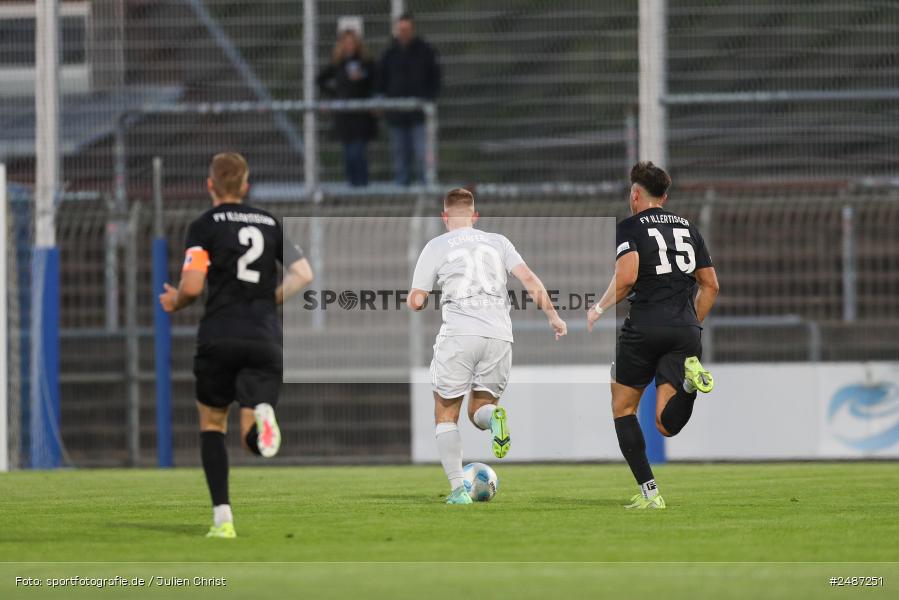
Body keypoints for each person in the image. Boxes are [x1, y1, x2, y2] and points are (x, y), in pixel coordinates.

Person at [158, 153, 313, 537]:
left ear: (210, 185)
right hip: (263, 337)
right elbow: (304, 274)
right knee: (251, 442)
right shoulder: (269, 223)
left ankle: (223, 519)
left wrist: (175, 300)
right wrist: (268, 300)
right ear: (245, 186)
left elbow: (193, 286)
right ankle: (262, 412)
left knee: (212, 424)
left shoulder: (203, 225)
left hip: (220, 334)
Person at [407, 188, 567, 504]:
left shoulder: (436, 246)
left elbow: (416, 301)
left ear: (444, 217)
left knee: (445, 414)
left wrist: (423, 297)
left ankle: (458, 491)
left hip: (459, 335)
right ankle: (494, 417)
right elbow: (530, 280)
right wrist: (554, 317)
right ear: (475, 216)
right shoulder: (498, 242)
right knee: (478, 410)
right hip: (499, 336)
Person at [587, 161, 719, 510]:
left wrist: (598, 308)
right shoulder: (688, 227)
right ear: (665, 195)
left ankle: (650, 494)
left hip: (645, 326)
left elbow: (628, 276)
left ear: (635, 194)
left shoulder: (630, 226)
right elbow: (711, 286)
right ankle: (690, 386)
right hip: (686, 331)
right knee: (665, 423)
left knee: (623, 408)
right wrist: (692, 323)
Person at [379, 13, 441, 186]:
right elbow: (381, 80)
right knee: (400, 155)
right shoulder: (390, 53)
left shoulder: (425, 51)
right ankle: (403, 190)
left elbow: (435, 78)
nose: (403, 32)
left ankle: (426, 188)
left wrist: (429, 99)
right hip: (397, 115)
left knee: (424, 154)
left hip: (420, 115)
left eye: (407, 29)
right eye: (401, 29)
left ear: (413, 29)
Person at [316, 28, 378, 186]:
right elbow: (320, 80)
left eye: (352, 42)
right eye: (346, 43)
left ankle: (362, 185)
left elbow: (375, 81)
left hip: (361, 114)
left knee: (358, 151)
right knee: (348, 154)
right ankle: (352, 186)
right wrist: (335, 94)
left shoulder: (366, 62)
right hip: (344, 116)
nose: (349, 45)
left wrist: (362, 78)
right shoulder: (338, 64)